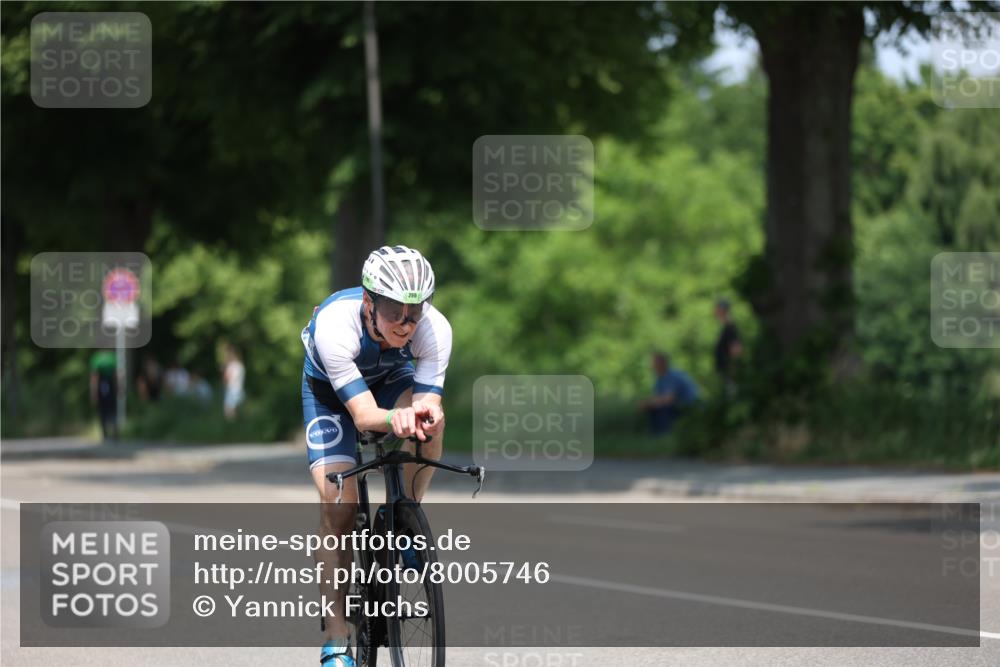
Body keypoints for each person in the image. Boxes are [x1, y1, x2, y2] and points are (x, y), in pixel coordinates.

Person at [300, 245, 451, 666]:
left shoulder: (435, 328)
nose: (405, 323)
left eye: (414, 312)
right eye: (393, 311)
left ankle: (404, 516)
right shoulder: (335, 324)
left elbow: (427, 403)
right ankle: (335, 637)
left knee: (429, 426)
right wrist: (393, 418)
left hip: (391, 379)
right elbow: (365, 415)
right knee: (339, 508)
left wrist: (424, 415)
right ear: (369, 302)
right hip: (330, 396)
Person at [639, 352, 699, 436]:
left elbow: (669, 399)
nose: (650, 365)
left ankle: (664, 434)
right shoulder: (660, 378)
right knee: (653, 408)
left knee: (661, 408)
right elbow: (657, 397)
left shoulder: (672, 376)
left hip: (688, 407)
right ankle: (655, 434)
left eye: (653, 362)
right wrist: (647, 403)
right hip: (677, 405)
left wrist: (649, 404)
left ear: (661, 363)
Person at [713, 298, 742, 394]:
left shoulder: (730, 328)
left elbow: (736, 350)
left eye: (718, 310)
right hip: (725, 372)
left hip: (730, 373)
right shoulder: (726, 328)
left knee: (733, 394)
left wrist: (733, 371)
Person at [89, 349, 118, 440]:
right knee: (112, 410)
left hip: (101, 387)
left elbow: (94, 378)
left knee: (102, 411)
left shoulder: (96, 359)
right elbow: (116, 376)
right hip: (111, 387)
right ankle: (115, 430)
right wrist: (118, 389)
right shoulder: (112, 358)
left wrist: (93, 394)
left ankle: (105, 433)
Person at [222, 346, 245, 420]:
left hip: (232, 391)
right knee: (237, 411)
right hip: (239, 390)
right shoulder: (240, 365)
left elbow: (227, 377)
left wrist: (224, 369)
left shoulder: (231, 366)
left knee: (229, 412)